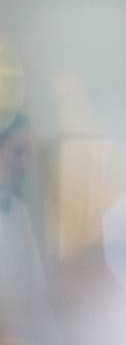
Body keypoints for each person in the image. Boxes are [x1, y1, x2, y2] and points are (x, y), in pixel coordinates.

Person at [0, 114, 62, 345]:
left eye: (28, 154)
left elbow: (36, 293)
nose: (24, 163)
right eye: (18, 151)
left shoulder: (19, 213)